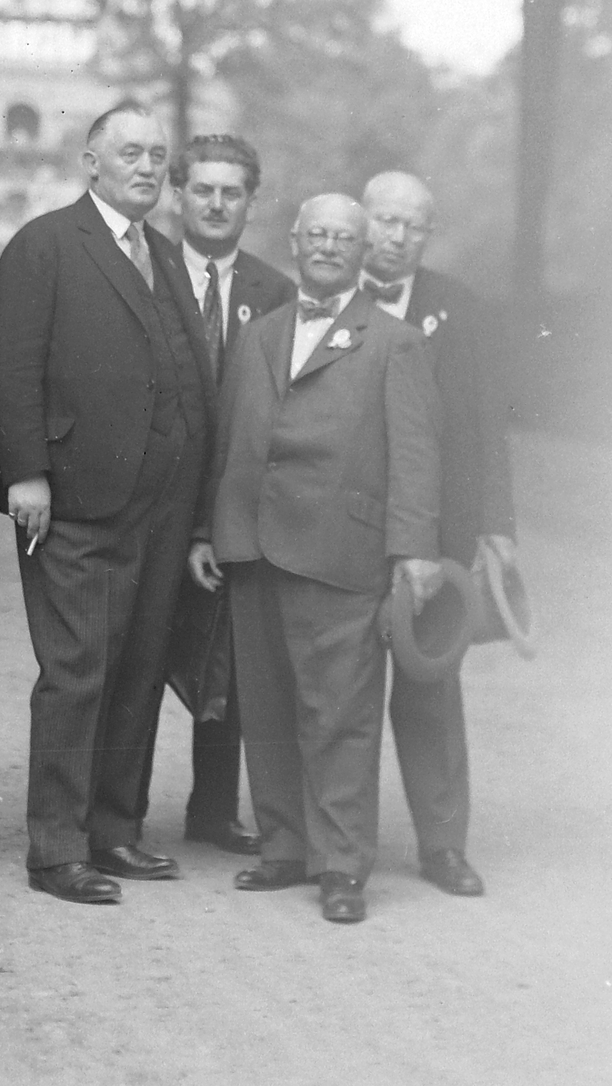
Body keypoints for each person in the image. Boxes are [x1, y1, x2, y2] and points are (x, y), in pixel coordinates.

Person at [189, 193, 443, 924]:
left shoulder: (394, 341)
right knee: (265, 708)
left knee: (341, 714)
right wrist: (210, 528)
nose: (328, 247)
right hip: (252, 548)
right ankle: (284, 846)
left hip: (343, 553)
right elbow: (230, 436)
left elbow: (418, 457)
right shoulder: (260, 333)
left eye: (344, 236)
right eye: (317, 235)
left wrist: (414, 552)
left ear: (363, 251)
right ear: (294, 243)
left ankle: (341, 864)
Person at [0, 102, 216, 906]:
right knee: (78, 670)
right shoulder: (44, 245)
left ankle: (115, 830)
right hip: (75, 502)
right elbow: (11, 369)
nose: (148, 166)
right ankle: (56, 849)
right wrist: (26, 473)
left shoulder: (163, 253)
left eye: (158, 154)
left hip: (159, 506)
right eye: (130, 152)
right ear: (90, 162)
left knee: (139, 668)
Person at [360, 169, 515, 897]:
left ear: (428, 233)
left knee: (431, 684)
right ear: (363, 221)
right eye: (383, 220)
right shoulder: (330, 298)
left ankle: (443, 843)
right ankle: (335, 843)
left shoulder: (461, 308)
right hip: (350, 525)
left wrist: (496, 527)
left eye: (410, 224)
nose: (394, 235)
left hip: (440, 531)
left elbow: (487, 423)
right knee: (342, 686)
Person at [164, 135, 294, 856]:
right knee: (134, 658)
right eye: (203, 189)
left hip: (233, 503)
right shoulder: (146, 271)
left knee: (232, 659)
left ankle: (211, 809)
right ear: (178, 193)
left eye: (231, 191)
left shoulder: (275, 292)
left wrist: (221, 520)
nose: (216, 203)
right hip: (149, 502)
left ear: (251, 199)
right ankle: (108, 813)